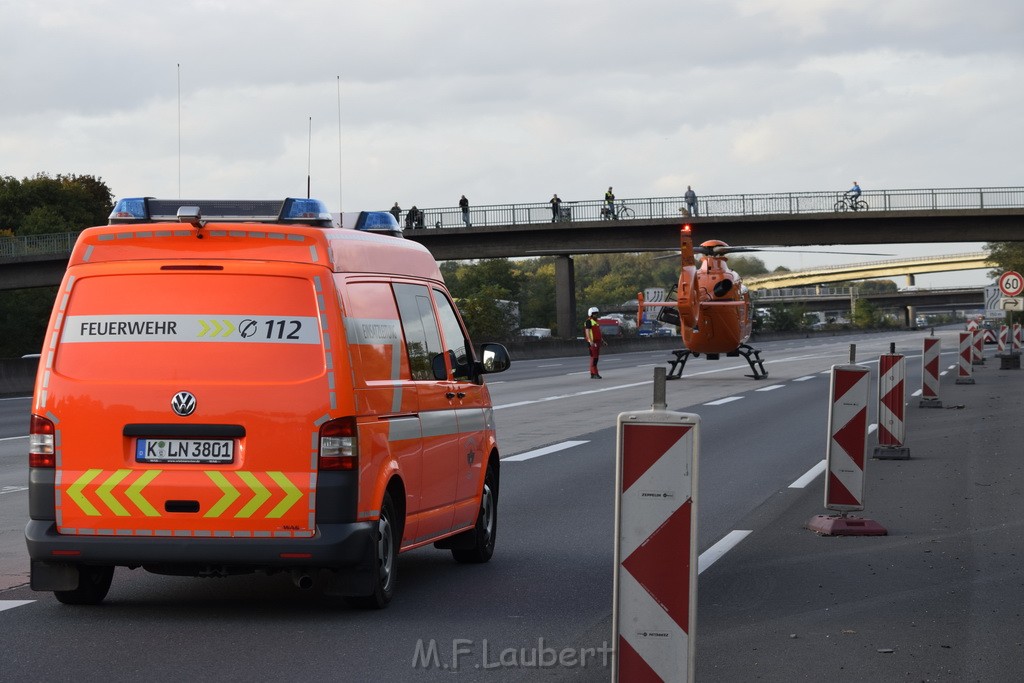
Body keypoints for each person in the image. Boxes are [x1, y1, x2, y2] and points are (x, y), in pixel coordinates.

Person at [584, 306, 606, 379]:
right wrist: (590, 341)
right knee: (595, 358)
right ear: (590, 314)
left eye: (596, 314)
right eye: (594, 314)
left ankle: (592, 374)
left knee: (594, 358)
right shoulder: (588, 321)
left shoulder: (596, 322)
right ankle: (595, 373)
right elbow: (587, 332)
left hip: (597, 342)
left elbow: (598, 333)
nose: (596, 315)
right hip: (592, 342)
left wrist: (602, 340)